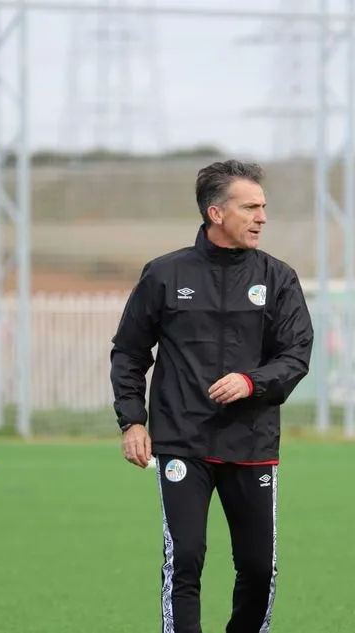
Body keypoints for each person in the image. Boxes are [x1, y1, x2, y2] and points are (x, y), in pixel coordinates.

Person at [109, 159, 315, 633]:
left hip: (251, 443)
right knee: (184, 558)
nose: (262, 216)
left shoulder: (279, 278)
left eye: (264, 206)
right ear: (215, 213)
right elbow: (129, 351)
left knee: (259, 568)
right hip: (182, 440)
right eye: (251, 207)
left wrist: (251, 382)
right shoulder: (163, 274)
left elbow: (296, 355)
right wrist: (132, 421)